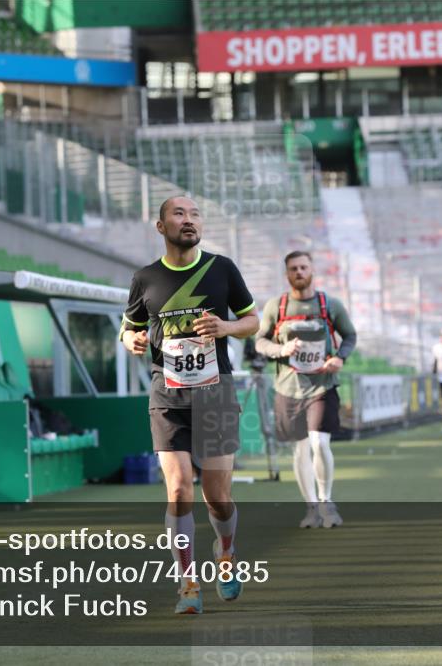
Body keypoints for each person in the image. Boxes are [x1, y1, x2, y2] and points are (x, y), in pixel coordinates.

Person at [120, 196, 259, 614]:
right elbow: (128, 329)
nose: (189, 221)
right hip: (168, 394)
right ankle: (188, 583)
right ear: (161, 226)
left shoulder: (222, 268)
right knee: (179, 489)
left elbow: (253, 320)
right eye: (179, 214)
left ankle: (227, 551)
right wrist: (134, 341)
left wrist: (227, 326)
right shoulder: (145, 278)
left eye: (195, 215)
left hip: (215, 393)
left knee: (217, 496)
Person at [254, 251, 357, 529]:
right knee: (300, 450)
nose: (299, 272)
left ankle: (326, 501)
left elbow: (350, 335)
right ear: (286, 274)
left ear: (312, 270)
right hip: (288, 388)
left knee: (319, 442)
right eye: (293, 269)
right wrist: (281, 349)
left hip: (321, 386)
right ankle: (311, 507)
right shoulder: (277, 306)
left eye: (303, 267)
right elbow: (260, 342)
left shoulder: (329, 304)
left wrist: (340, 358)